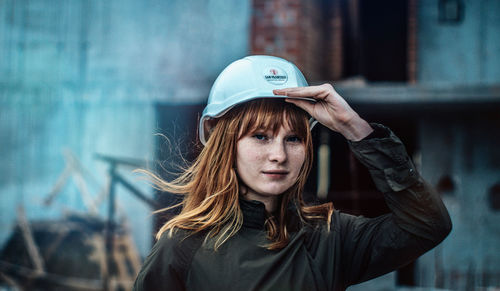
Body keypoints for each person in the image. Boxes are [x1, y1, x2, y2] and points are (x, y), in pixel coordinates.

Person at [133, 56, 452, 291]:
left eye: (294, 139)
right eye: (260, 136)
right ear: (225, 144)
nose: (279, 155)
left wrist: (354, 128)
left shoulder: (329, 238)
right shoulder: (182, 247)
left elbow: (427, 225)